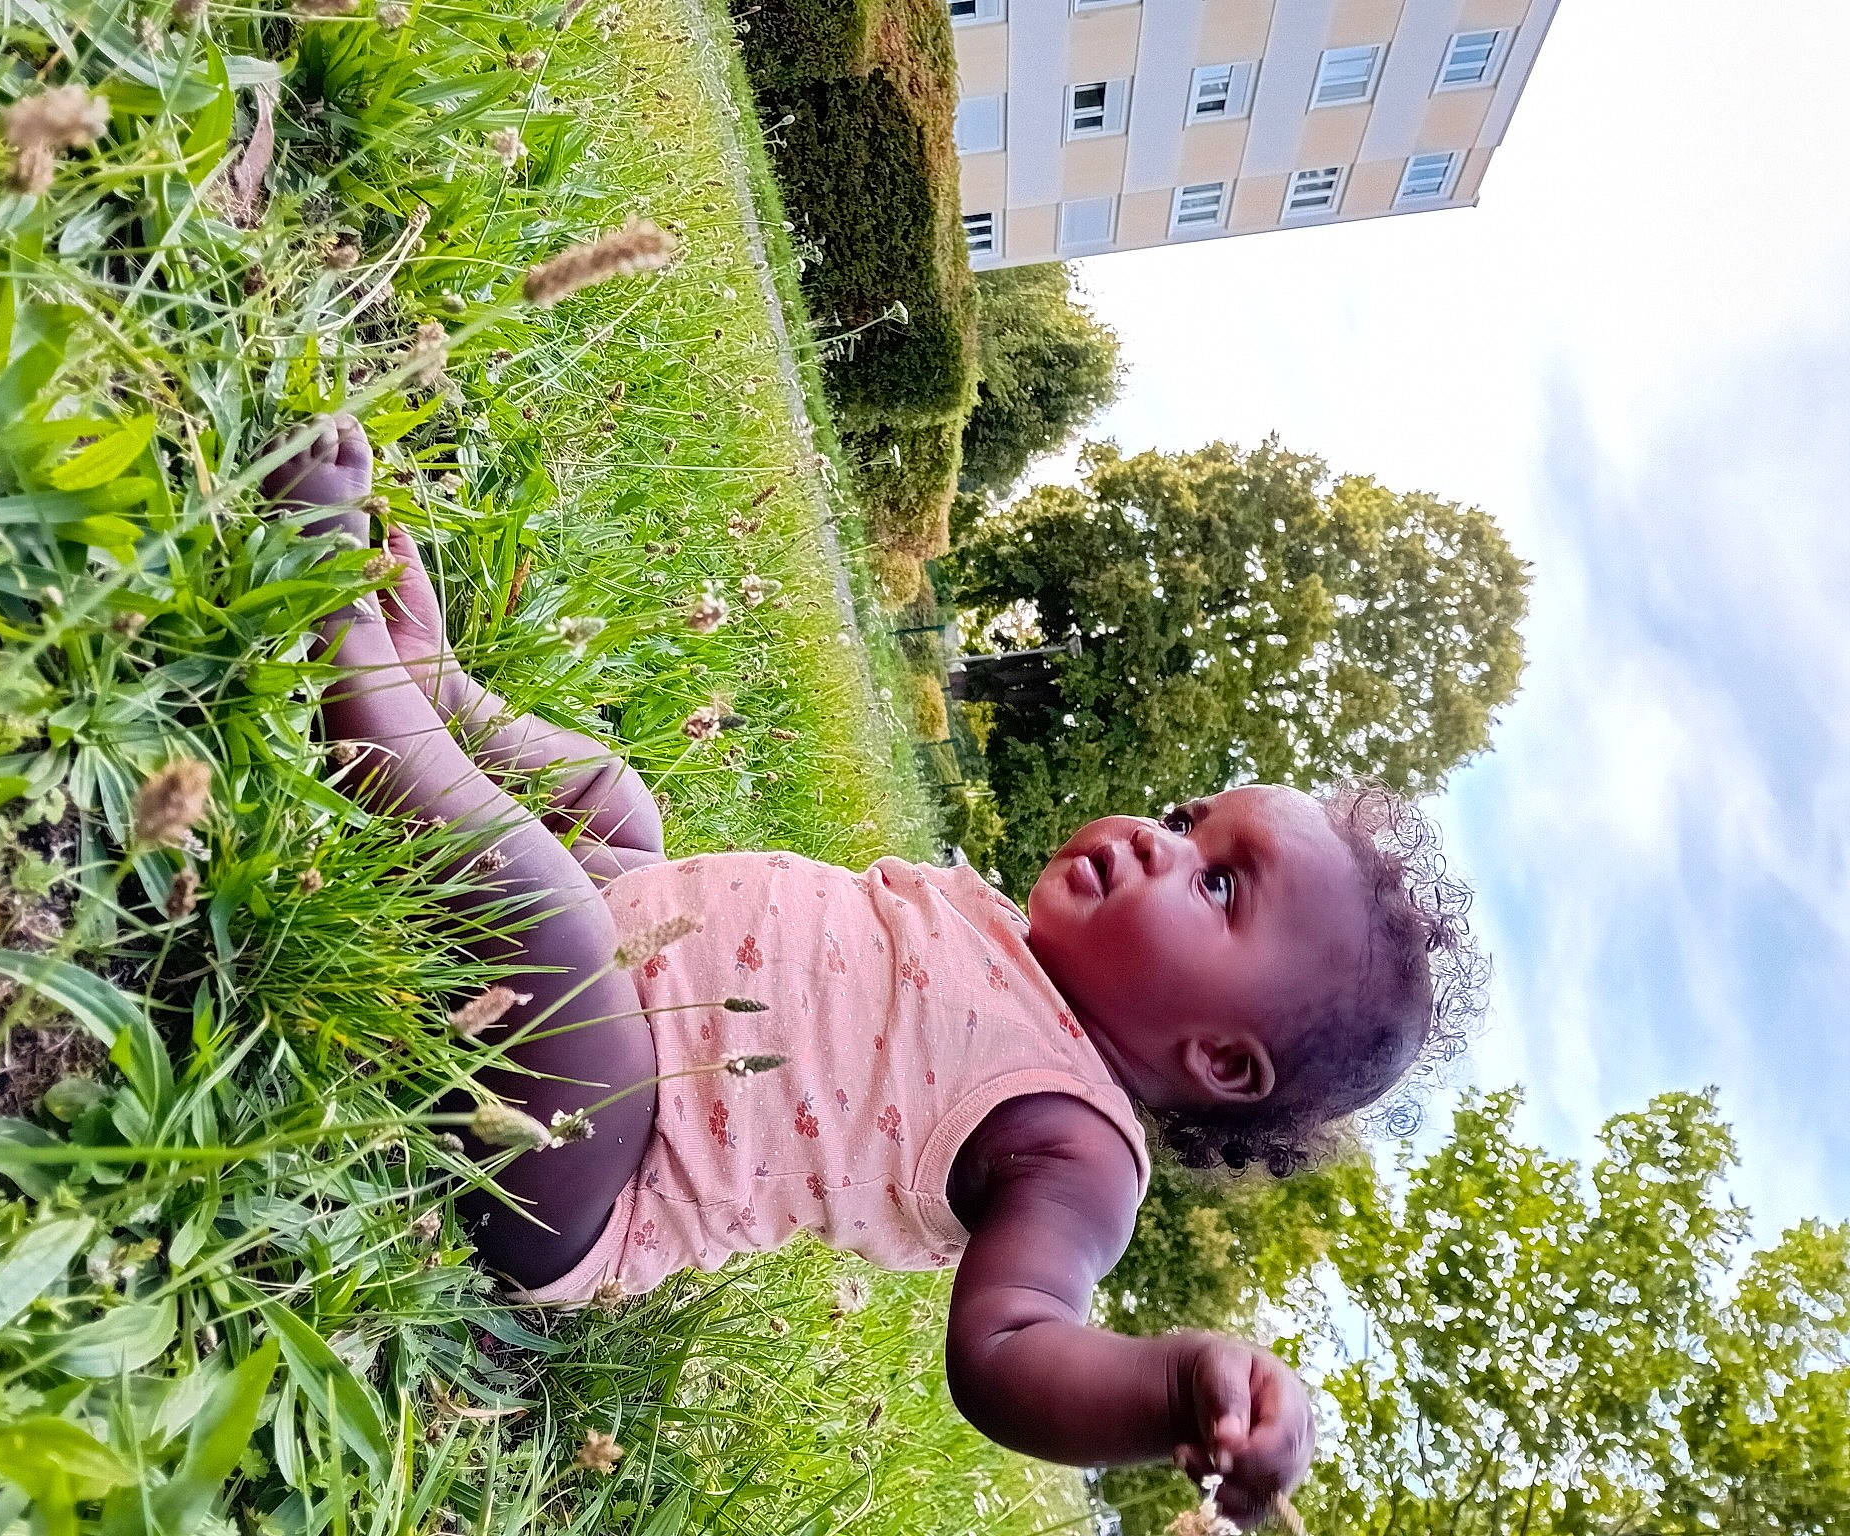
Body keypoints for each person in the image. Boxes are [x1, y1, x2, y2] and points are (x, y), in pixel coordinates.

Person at [264, 415, 1482, 1524]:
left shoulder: (1074, 1148)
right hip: (612, 952)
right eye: (1184, 813)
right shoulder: (1002, 945)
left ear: (1219, 1056)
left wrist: (1167, 1386)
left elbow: (1009, 1350)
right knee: (614, 803)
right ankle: (435, 695)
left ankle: (350, 664)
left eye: (1216, 882)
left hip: (582, 1165)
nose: (1156, 839)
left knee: (568, 944)